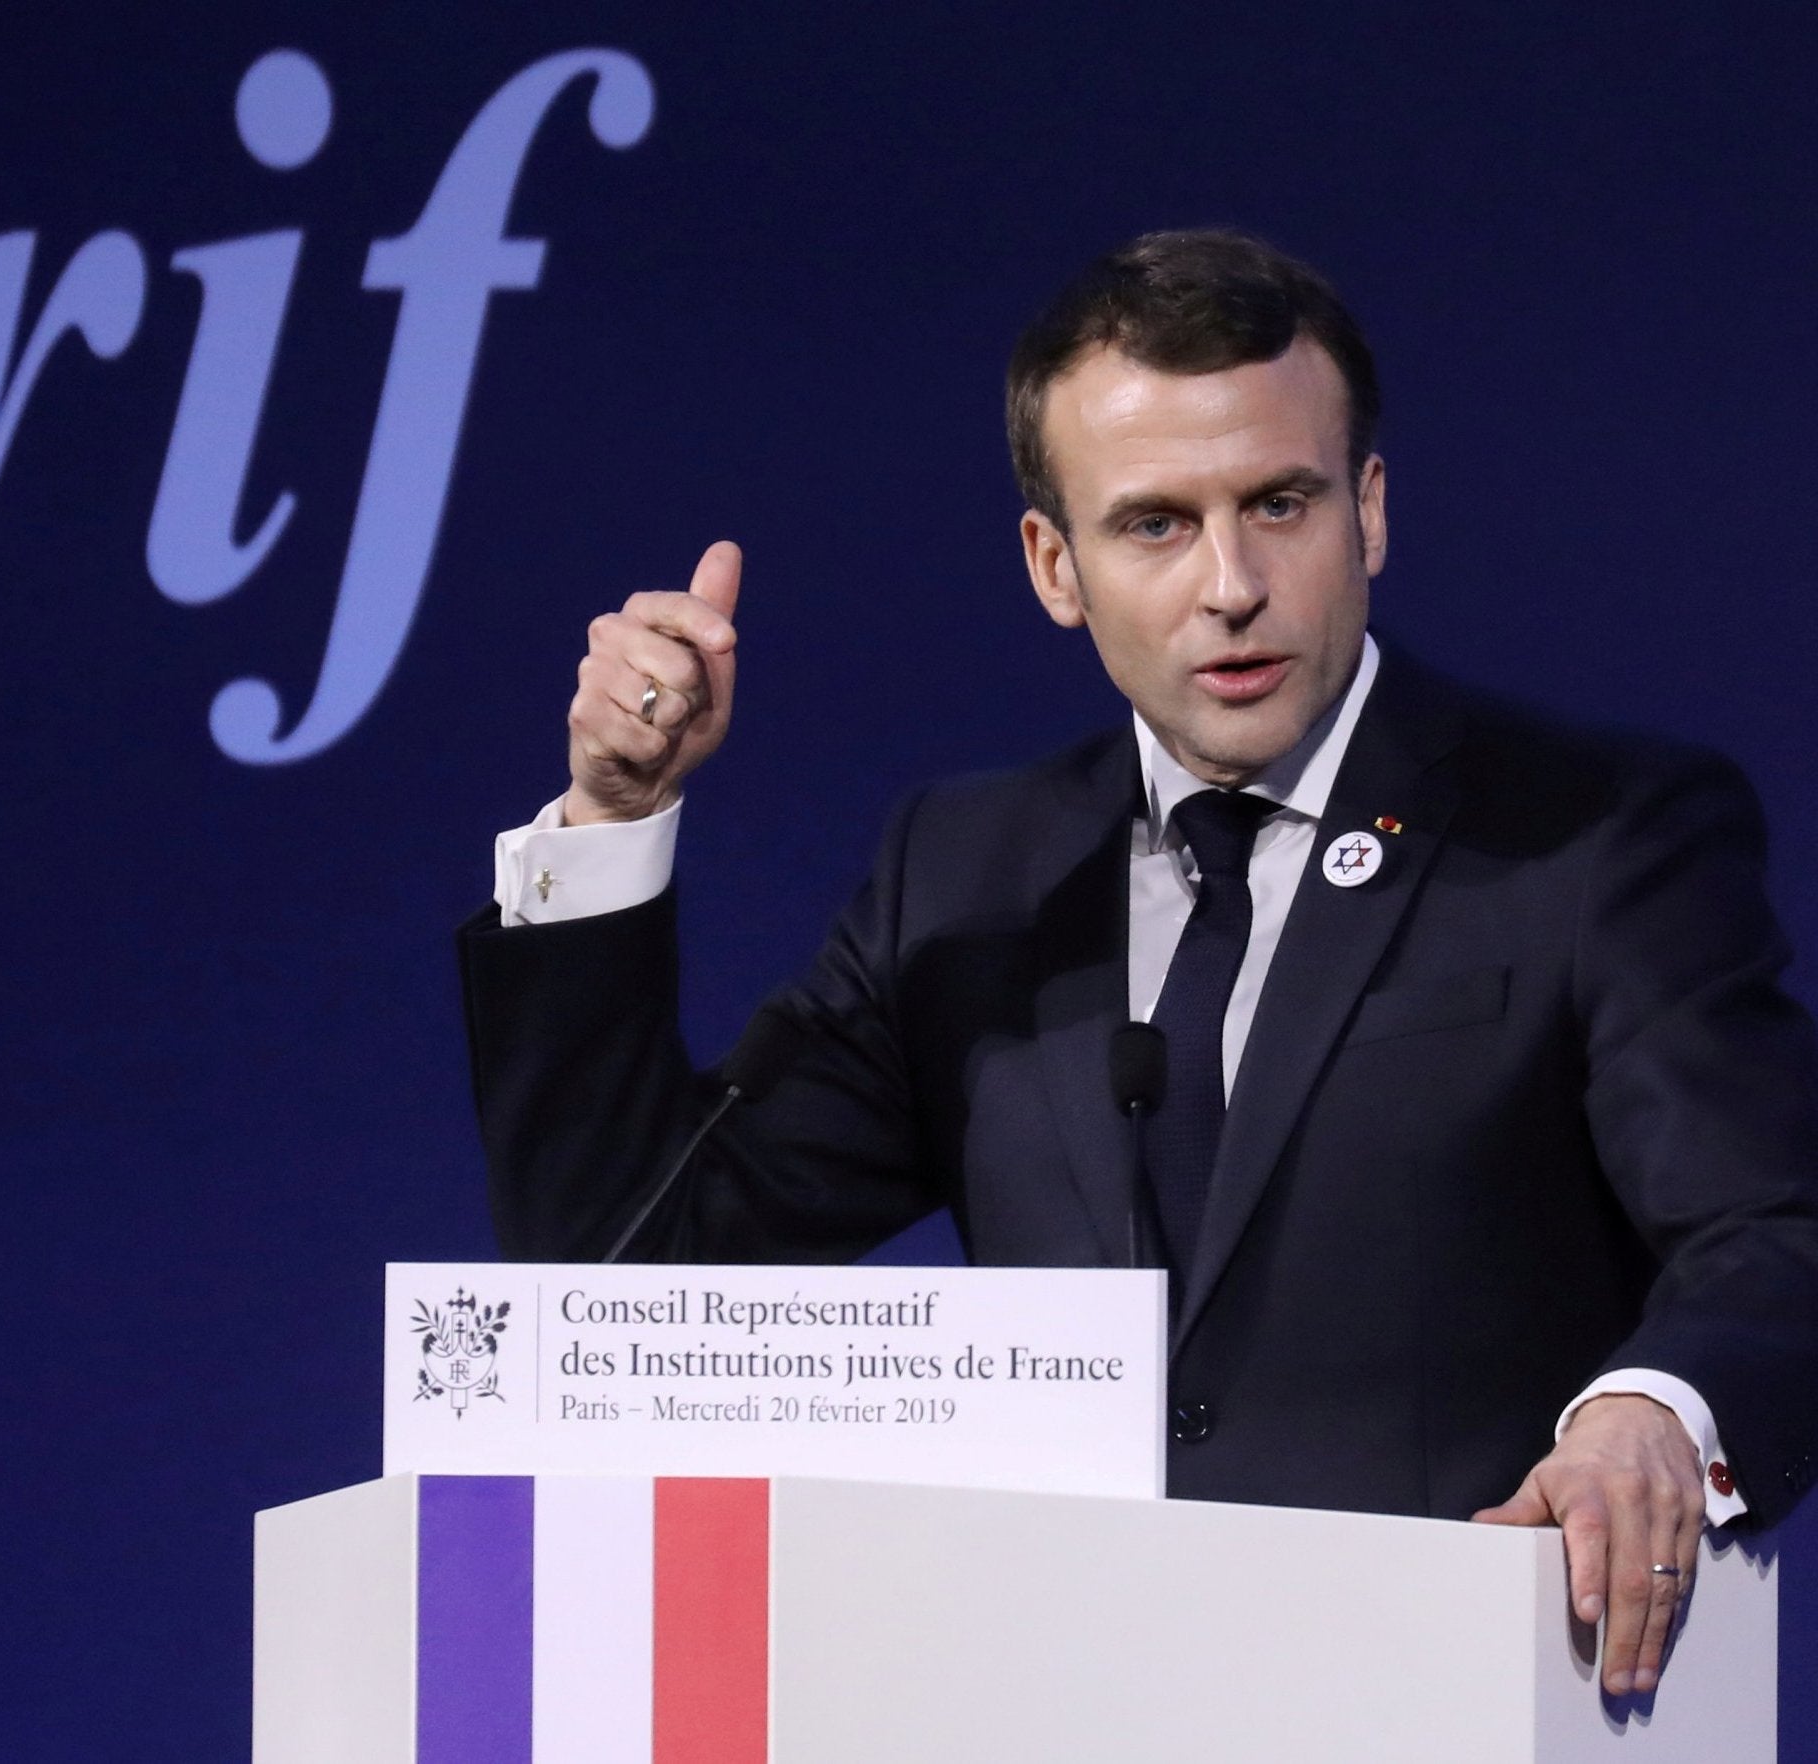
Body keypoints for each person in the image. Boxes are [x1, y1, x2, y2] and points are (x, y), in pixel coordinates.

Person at [456, 229, 1818, 1699]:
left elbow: (1775, 1233)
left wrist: (1654, 1413)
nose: (1230, 584)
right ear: (1057, 564)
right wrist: (611, 822)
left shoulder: (1594, 834)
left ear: (1367, 510)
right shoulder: (968, 876)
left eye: (1279, 503)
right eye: (1156, 525)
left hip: (1460, 1697)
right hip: (1060, 1699)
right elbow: (625, 1288)